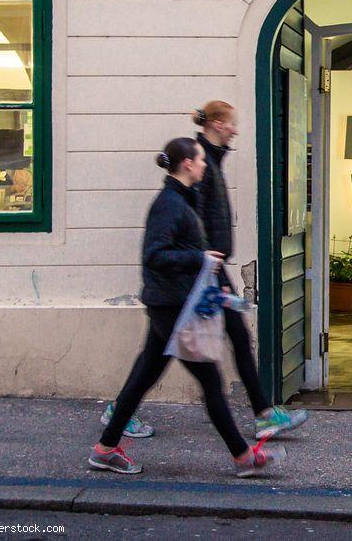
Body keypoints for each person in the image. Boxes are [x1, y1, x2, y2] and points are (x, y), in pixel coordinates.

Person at [103, 102, 309, 441]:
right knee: (231, 343)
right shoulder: (199, 164)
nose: (235, 130)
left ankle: (118, 415)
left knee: (154, 357)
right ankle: (259, 419)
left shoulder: (209, 160)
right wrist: (206, 268)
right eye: (231, 124)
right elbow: (189, 225)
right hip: (200, 270)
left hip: (203, 269)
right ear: (215, 124)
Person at [88, 137, 287, 477]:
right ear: (187, 165)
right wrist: (199, 258)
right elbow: (154, 255)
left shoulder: (182, 199)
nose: (205, 165)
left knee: (142, 377)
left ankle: (105, 449)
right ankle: (243, 457)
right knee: (211, 381)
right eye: (200, 160)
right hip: (171, 306)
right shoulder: (169, 205)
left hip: (172, 303)